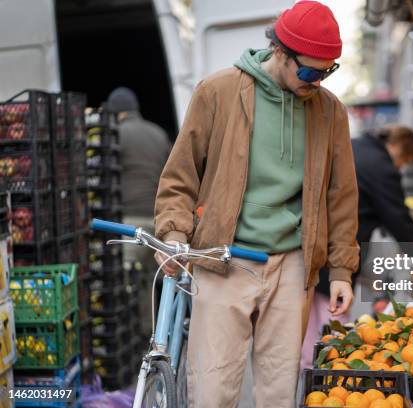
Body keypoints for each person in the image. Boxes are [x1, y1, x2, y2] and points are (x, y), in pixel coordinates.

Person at [153, 2, 359, 407]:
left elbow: (342, 195)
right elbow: (180, 175)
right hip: (221, 259)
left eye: (327, 71)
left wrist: (341, 270)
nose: (316, 81)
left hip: (292, 265)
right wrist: (175, 235)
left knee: (280, 392)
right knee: (212, 389)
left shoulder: (330, 111)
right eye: (309, 71)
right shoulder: (218, 92)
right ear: (280, 52)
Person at [301, 124, 413, 368]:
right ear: (397, 147)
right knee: (332, 316)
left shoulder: (357, 145)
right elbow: (398, 217)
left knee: (308, 317)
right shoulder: (382, 167)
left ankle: (307, 370)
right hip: (338, 248)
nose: (400, 167)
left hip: (310, 239)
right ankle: (327, 371)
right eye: (404, 161)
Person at [106, 87, 171, 334]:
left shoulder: (115, 134)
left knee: (127, 283)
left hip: (130, 223)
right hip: (157, 221)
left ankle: (128, 337)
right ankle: (151, 335)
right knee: (151, 283)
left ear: (116, 112)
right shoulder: (158, 133)